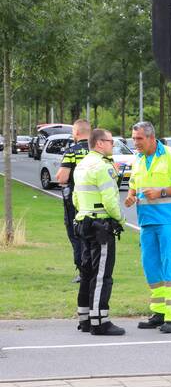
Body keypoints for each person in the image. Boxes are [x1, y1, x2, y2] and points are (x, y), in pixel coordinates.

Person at [125, 121, 171, 334]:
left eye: (139, 139)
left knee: (169, 265)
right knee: (151, 267)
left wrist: (161, 192)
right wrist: (131, 195)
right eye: (134, 138)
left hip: (168, 220)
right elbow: (134, 184)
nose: (136, 143)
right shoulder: (138, 158)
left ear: (152, 138)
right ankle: (159, 312)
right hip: (146, 221)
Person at [72, 129, 126, 336]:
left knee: (86, 272)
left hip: (83, 222)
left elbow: (76, 198)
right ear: (99, 143)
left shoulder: (82, 164)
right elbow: (111, 201)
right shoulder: (103, 167)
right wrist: (120, 219)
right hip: (100, 225)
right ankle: (100, 321)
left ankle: (85, 318)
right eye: (111, 141)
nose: (113, 145)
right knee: (102, 274)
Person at [55, 119, 91, 285]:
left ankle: (83, 271)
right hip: (95, 201)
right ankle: (94, 268)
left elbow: (62, 177)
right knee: (93, 235)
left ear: (76, 133)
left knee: (76, 233)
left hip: (75, 201)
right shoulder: (98, 150)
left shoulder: (72, 151)